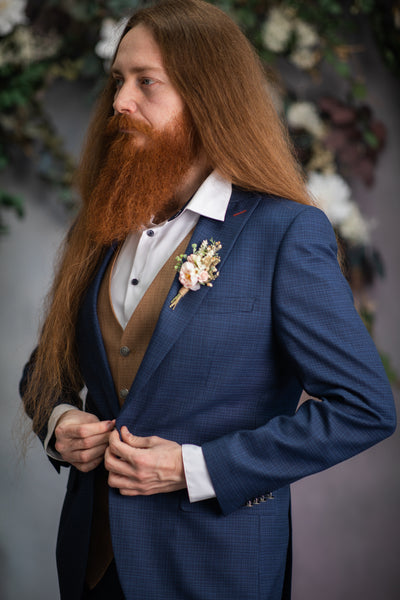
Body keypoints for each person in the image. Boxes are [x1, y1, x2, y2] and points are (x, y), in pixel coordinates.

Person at [20, 1, 396, 599]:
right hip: (93, 565)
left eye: (147, 83)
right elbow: (48, 366)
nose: (119, 101)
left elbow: (365, 407)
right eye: (119, 80)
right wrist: (60, 421)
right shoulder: (103, 224)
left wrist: (193, 469)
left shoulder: (285, 231)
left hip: (214, 570)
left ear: (207, 98)